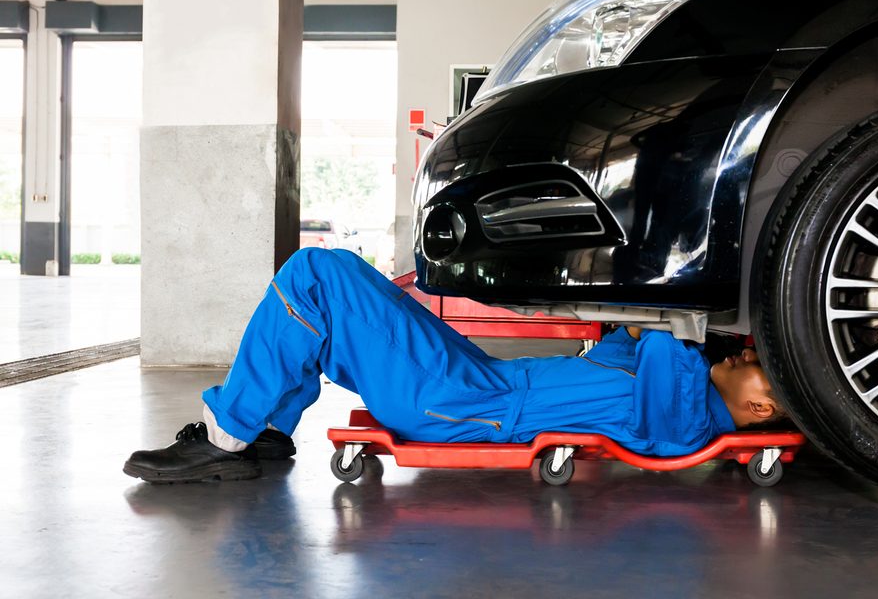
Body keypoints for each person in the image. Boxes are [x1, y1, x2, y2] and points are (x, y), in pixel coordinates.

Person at [124, 248, 787, 483]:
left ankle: (227, 436)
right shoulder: (677, 384)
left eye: (765, 374)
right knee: (339, 281)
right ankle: (265, 427)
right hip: (475, 378)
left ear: (758, 410)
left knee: (318, 274)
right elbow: (631, 330)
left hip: (462, 399)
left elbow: (665, 328)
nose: (749, 354)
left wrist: (689, 319)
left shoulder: (689, 418)